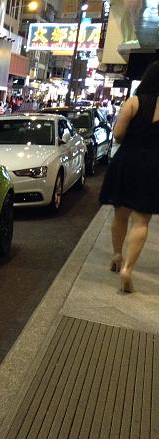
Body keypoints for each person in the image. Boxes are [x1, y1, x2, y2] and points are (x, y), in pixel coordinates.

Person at [99, 61, 159, 293]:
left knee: (120, 213)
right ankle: (128, 269)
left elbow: (118, 134)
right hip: (154, 166)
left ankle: (116, 255)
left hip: (128, 161)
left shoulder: (133, 102)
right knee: (141, 220)